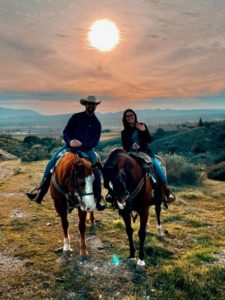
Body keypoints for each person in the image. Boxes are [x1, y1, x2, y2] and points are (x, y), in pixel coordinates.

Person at [26, 95, 106, 211]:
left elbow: (95, 141)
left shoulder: (96, 123)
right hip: (69, 147)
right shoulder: (76, 117)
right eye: (89, 104)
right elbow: (66, 132)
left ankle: (98, 198)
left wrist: (81, 144)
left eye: (93, 104)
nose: (90, 106)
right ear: (85, 105)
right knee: (51, 163)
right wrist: (70, 141)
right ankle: (41, 192)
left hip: (87, 150)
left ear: (95, 106)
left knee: (96, 170)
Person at [120, 108, 175, 204]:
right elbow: (125, 146)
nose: (130, 117)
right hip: (131, 154)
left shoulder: (141, 125)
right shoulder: (124, 132)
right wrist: (131, 147)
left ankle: (166, 190)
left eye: (131, 115)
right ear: (125, 119)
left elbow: (149, 140)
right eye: (127, 116)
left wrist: (143, 130)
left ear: (134, 116)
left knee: (157, 165)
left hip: (145, 153)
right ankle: (118, 194)